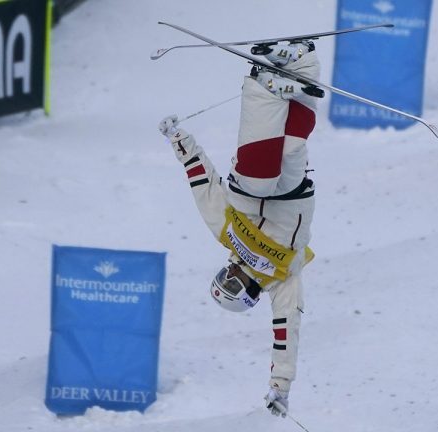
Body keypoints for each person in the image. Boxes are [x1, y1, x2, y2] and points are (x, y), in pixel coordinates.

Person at [158, 41, 320, 417]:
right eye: (231, 285)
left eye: (223, 276)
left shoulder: (225, 233)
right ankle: (302, 61)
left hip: (249, 187)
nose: (230, 272)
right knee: (293, 147)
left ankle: (261, 86)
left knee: (260, 178)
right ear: (247, 294)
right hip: (294, 197)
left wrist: (179, 141)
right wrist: (280, 387)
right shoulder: (281, 282)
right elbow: (285, 335)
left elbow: (203, 183)